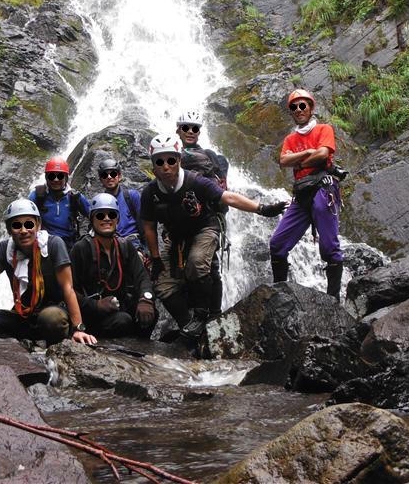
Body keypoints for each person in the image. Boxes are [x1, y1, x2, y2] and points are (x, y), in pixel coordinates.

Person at [141, 135, 286, 339]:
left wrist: (261, 209)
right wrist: (155, 258)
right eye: (160, 161)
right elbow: (148, 225)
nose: (166, 166)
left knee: (197, 262)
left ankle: (202, 315)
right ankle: (187, 325)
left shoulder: (195, 181)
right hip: (176, 237)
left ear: (179, 160)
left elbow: (228, 197)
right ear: (153, 166)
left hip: (205, 228)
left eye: (170, 160)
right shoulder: (150, 192)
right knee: (162, 283)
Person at [0, 198, 97, 345]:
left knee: (51, 318)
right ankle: (18, 345)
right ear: (9, 230)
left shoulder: (53, 244)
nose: (23, 231)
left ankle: (50, 344)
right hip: (21, 314)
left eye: (29, 224)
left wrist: (78, 328)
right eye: (16, 226)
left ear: (38, 225)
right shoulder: (4, 249)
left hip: (53, 311)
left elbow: (68, 288)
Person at [269, 89, 344, 299]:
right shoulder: (290, 139)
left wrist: (299, 160)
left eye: (303, 105)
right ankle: (280, 293)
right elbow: (283, 161)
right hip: (301, 193)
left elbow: (323, 153)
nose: (299, 109)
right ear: (291, 112)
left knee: (329, 246)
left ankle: (333, 298)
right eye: (294, 106)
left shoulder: (323, 128)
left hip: (322, 188)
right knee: (277, 244)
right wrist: (308, 154)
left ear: (311, 108)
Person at [70, 193, 157, 338]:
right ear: (92, 219)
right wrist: (95, 305)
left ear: (117, 219)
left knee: (149, 313)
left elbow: (142, 277)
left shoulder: (125, 246)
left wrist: (145, 299)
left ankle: (140, 354)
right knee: (123, 320)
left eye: (111, 214)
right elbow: (70, 290)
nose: (106, 219)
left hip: (119, 306)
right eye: (100, 216)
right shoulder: (81, 248)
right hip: (92, 314)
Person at [176, 109, 230, 316]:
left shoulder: (205, 156)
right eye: (186, 128)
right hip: (185, 220)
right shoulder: (173, 156)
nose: (190, 131)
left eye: (194, 128)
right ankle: (205, 313)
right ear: (178, 130)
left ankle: (211, 313)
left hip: (207, 217)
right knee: (190, 267)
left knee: (206, 265)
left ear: (199, 132)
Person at [28, 156, 90, 253]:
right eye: (52, 176)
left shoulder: (74, 197)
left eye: (60, 176)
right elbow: (24, 217)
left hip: (68, 245)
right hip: (43, 244)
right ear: (46, 177)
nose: (56, 180)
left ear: (66, 177)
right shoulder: (37, 195)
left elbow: (93, 215)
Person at [97, 158, 145, 253]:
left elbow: (144, 226)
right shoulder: (99, 203)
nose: (109, 177)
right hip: (110, 248)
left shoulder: (131, 196)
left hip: (133, 246)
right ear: (101, 179)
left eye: (113, 174)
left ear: (119, 176)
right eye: (104, 175)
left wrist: (147, 250)